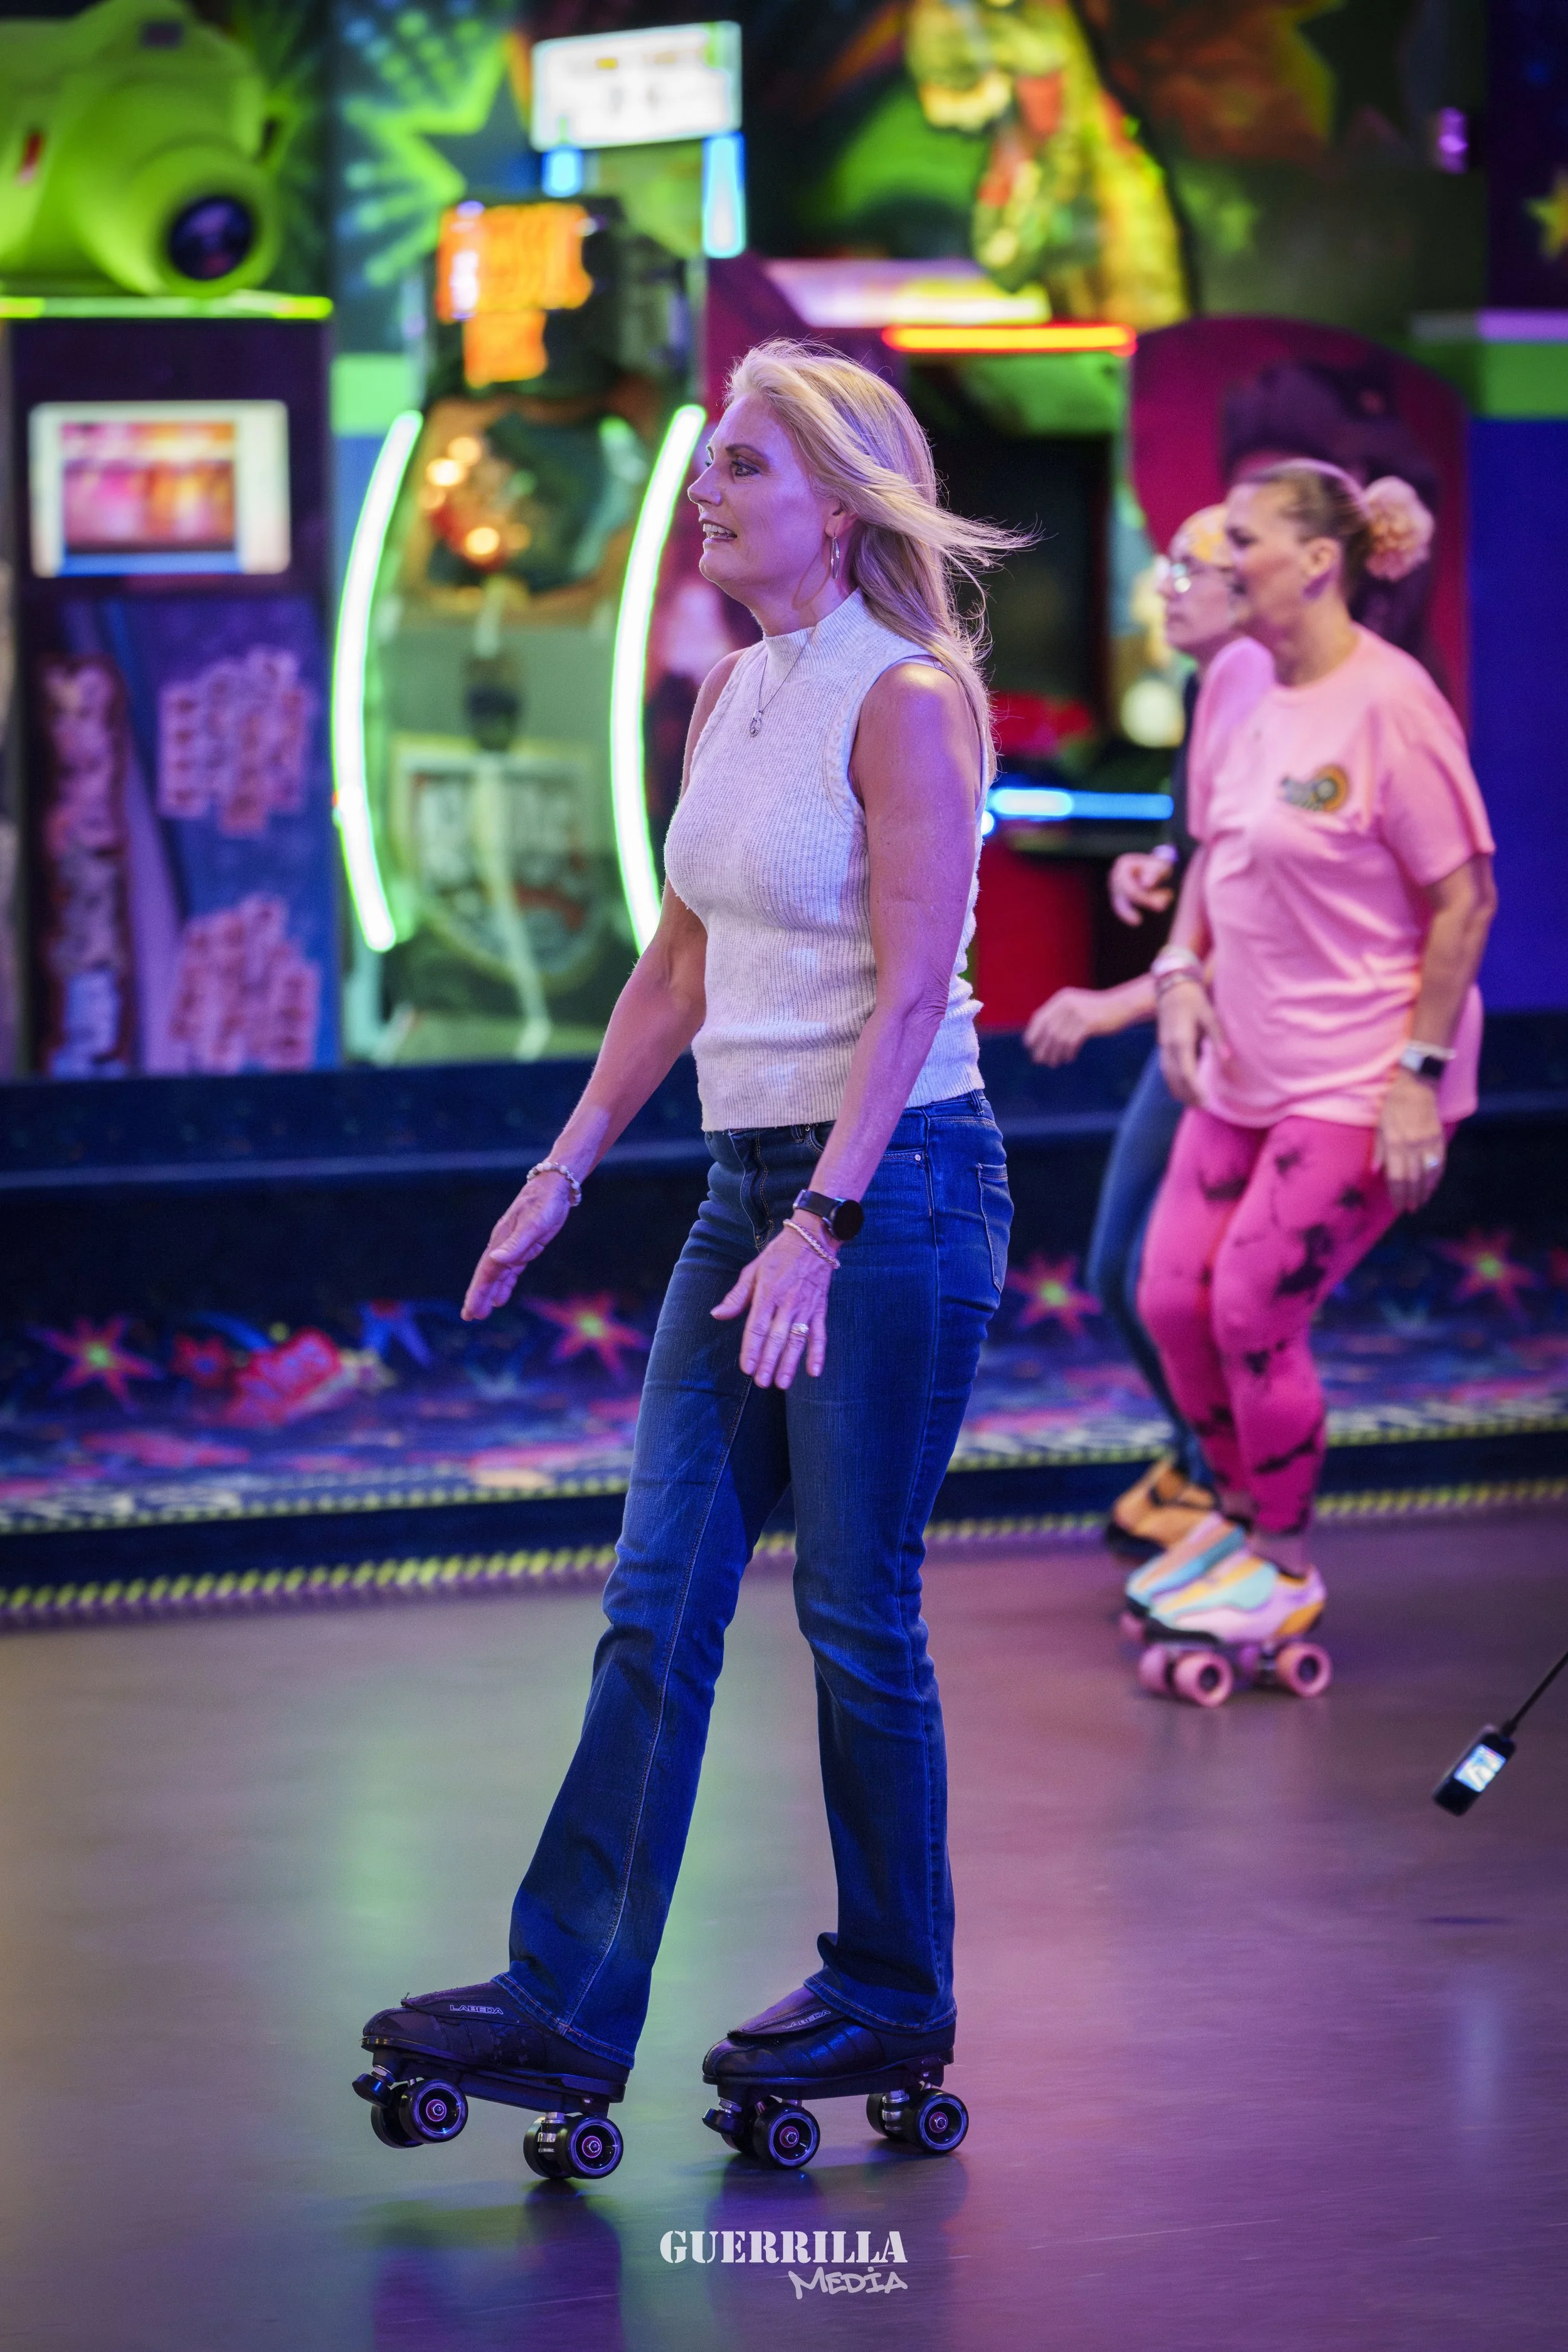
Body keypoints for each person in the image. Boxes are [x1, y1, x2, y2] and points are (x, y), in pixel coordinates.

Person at [357, 341, 1017, 2135]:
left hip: (893, 1190)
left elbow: (906, 996)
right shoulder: (737, 689)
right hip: (745, 1189)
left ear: (839, 500)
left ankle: (891, 1991)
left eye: (743, 469)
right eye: (712, 465)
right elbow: (679, 955)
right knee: (656, 1595)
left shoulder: (907, 699)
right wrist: (562, 1164)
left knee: (853, 1607)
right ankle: (562, 2002)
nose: (709, 495)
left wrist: (823, 1218)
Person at [1126, 462, 1495, 1650]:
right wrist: (1178, 976)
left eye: (1242, 539)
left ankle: (1284, 1563)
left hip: (1356, 1073)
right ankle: (1239, 1524)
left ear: (1317, 562)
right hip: (1243, 1063)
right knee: (1168, 1298)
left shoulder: (1390, 704)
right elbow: (1214, 864)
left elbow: (1467, 899)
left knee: (1249, 1307)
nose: (1220, 560)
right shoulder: (1247, 687)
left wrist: (1416, 1077)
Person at [1023, 506, 1272, 1559]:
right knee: (1132, 1270)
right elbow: (1213, 858)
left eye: (1190, 566)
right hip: (1201, 1029)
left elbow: (1263, 905)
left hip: (1253, 1036)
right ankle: (1208, 1466)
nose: (1165, 585)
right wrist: (1161, 865)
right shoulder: (1210, 688)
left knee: (1168, 1279)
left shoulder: (1262, 689)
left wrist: (1114, 1001)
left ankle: (1238, 1498)